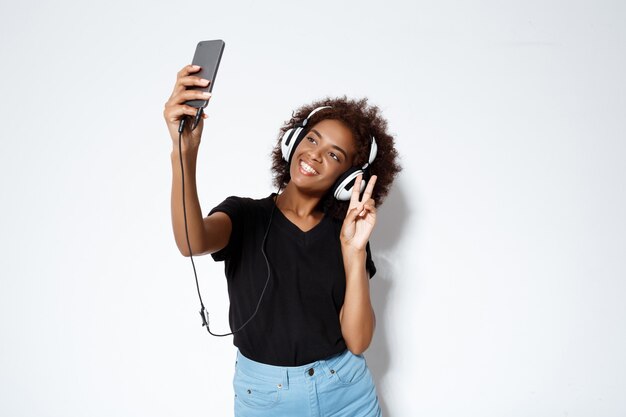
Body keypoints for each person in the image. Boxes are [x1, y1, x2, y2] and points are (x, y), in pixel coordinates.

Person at [164, 64, 401, 416]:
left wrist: (353, 252)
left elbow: (358, 340)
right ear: (293, 140)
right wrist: (184, 152)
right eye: (312, 139)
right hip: (264, 396)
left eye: (334, 155)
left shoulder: (349, 235)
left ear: (350, 178)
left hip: (346, 392)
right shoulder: (244, 215)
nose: (315, 155)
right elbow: (189, 241)